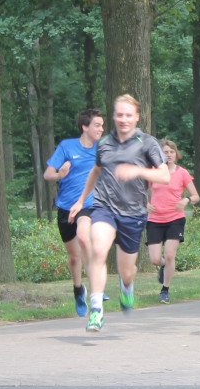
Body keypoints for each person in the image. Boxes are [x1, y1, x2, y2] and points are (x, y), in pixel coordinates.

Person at [69, 95, 169, 332]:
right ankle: (96, 310)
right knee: (98, 249)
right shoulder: (104, 143)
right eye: (119, 115)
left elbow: (164, 176)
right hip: (104, 207)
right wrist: (81, 200)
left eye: (128, 115)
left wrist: (137, 171)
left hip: (133, 213)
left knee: (126, 271)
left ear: (137, 117)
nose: (123, 119)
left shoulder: (147, 143)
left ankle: (127, 287)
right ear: (114, 116)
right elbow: (96, 170)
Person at [42, 108, 103, 318]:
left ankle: (96, 285)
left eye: (103, 125)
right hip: (65, 207)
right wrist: (60, 173)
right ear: (85, 127)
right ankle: (78, 289)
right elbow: (47, 174)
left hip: (89, 205)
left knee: (86, 239)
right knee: (74, 257)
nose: (101, 129)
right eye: (97, 125)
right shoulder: (67, 146)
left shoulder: (101, 150)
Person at [146, 139, 200, 304]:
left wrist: (186, 200)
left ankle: (165, 290)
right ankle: (164, 266)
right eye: (165, 152)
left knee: (170, 255)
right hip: (155, 219)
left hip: (175, 218)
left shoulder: (182, 173)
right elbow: (139, 191)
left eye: (171, 152)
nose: (168, 155)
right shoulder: (154, 171)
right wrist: (145, 203)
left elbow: (196, 196)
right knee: (155, 259)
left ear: (176, 154)